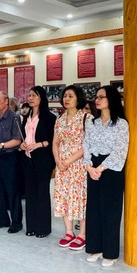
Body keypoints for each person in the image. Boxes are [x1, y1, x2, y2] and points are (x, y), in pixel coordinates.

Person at [83, 85, 129, 267]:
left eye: (102, 96)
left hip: (111, 169)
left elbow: (120, 150)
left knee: (110, 210)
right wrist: (88, 166)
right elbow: (85, 144)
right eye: (97, 96)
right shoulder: (91, 123)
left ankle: (110, 252)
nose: (97, 99)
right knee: (93, 208)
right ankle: (95, 247)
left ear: (112, 100)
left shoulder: (121, 124)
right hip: (92, 166)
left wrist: (100, 168)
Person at [52, 85, 89, 250]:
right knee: (64, 196)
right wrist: (58, 160)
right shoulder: (60, 119)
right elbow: (55, 142)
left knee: (79, 197)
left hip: (78, 164)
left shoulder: (86, 118)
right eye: (65, 96)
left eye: (70, 96)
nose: (66, 99)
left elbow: (88, 144)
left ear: (78, 98)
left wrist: (70, 160)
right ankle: (68, 232)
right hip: (62, 165)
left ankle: (82, 234)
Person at [19, 86, 56, 238]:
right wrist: (22, 145)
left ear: (41, 98)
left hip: (43, 159)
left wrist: (38, 144)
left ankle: (43, 228)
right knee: (30, 193)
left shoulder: (50, 118)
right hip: (27, 159)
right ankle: (31, 226)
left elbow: (52, 140)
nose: (30, 98)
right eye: (29, 95)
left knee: (42, 193)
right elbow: (24, 135)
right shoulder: (26, 117)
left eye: (34, 95)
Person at [0, 91, 23, 233]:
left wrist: (0, 145)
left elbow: (17, 140)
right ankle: (3, 218)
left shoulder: (14, 117)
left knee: (12, 191)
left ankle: (16, 222)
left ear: (6, 101)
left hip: (10, 157)